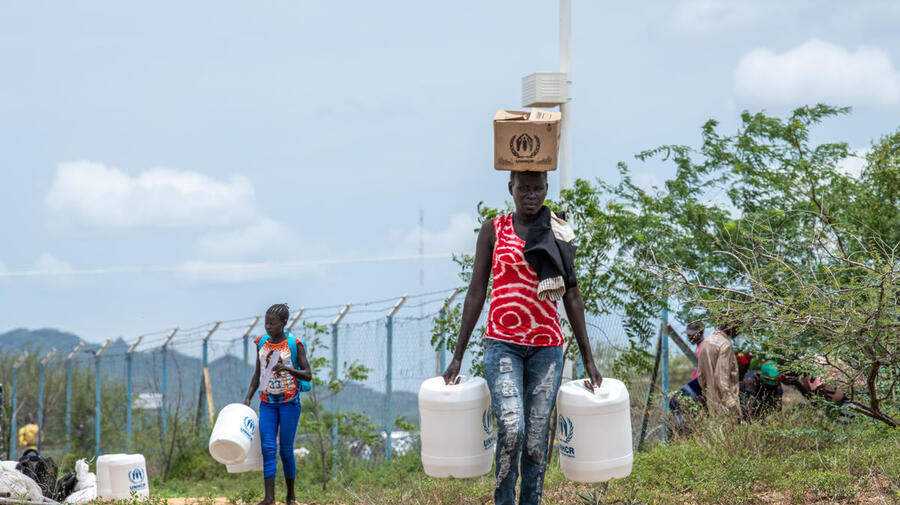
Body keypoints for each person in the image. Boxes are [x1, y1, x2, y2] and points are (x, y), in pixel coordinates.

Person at [442, 170, 603, 505]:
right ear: (511, 188)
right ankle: (504, 499)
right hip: (502, 344)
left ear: (546, 189)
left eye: (538, 188)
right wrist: (457, 355)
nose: (531, 195)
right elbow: (475, 293)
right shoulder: (493, 230)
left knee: (535, 438)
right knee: (513, 428)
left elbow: (572, 296)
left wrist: (588, 359)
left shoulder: (558, 231)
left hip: (547, 348)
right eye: (524, 188)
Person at [243, 303, 312, 505]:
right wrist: (248, 396)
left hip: (289, 403)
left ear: (283, 323)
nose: (268, 327)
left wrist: (288, 369)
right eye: (266, 323)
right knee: (268, 447)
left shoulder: (295, 344)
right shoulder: (261, 343)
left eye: (272, 323)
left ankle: (291, 497)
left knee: (286, 450)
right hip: (267, 403)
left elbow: (308, 374)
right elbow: (258, 373)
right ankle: (269, 498)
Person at [696, 323, 740, 420]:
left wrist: (710, 394)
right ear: (731, 324)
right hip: (725, 407)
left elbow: (700, 377)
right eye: (739, 325)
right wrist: (732, 404)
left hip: (711, 402)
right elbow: (721, 378)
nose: (740, 330)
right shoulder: (725, 345)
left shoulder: (705, 343)